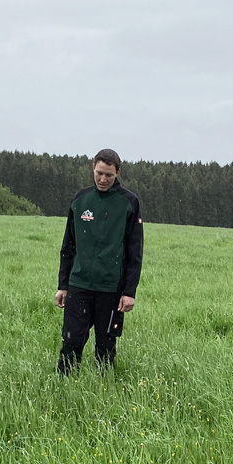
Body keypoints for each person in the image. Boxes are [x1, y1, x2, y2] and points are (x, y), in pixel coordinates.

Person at [55, 148, 143, 374]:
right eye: (99, 173)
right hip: (79, 284)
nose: (103, 179)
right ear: (93, 169)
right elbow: (68, 246)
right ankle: (63, 387)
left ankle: (103, 389)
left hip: (111, 287)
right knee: (71, 342)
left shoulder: (129, 202)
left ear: (118, 173)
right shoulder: (80, 199)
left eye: (109, 175)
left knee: (106, 347)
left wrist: (129, 292)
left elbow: (135, 252)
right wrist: (63, 285)